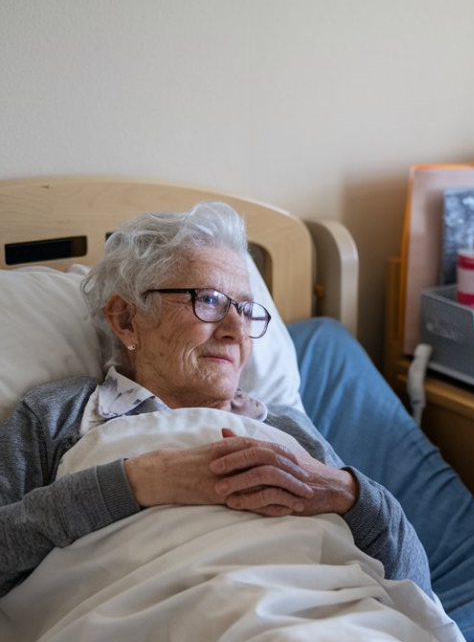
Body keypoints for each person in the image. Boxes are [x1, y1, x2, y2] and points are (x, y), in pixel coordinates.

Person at [0, 201, 431, 600]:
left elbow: (414, 588)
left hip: (327, 616)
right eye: (207, 300)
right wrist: (138, 482)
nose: (236, 331)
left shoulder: (284, 426)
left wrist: (347, 492)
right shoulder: (59, 414)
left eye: (245, 310)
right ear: (127, 319)